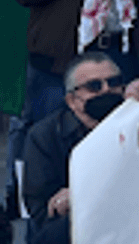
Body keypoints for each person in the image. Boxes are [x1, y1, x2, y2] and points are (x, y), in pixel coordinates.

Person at [23, 53, 128, 244]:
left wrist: (82, 193)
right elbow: (42, 210)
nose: (107, 90)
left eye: (114, 83)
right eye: (94, 86)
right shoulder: (44, 136)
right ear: (72, 100)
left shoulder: (136, 126)